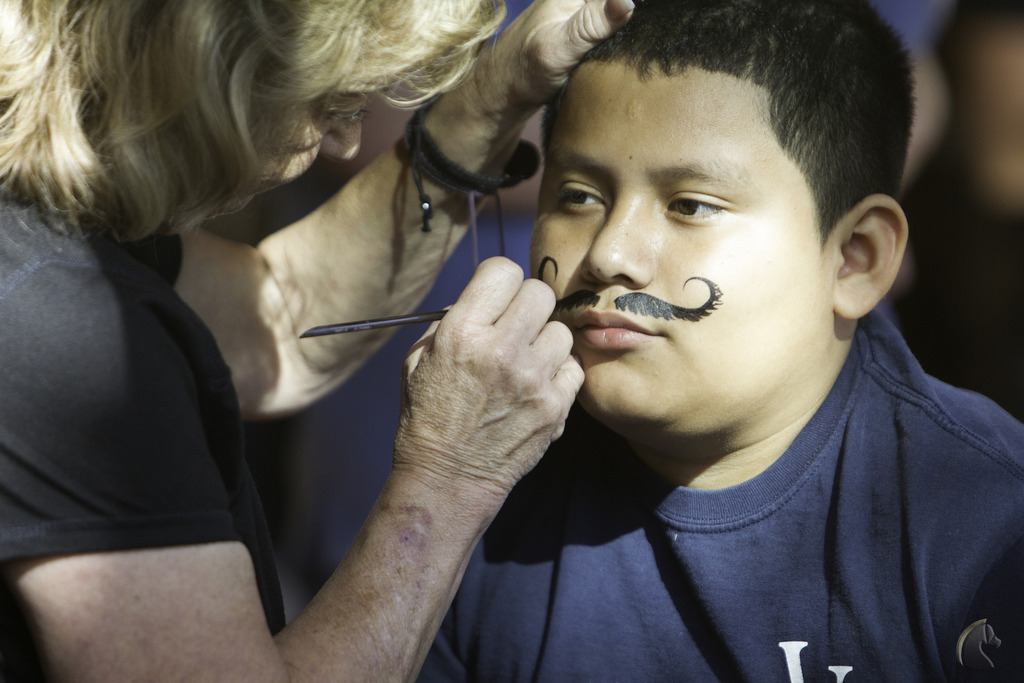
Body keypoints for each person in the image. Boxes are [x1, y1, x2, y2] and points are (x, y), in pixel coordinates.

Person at [0, 0, 636, 680]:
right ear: (213, 56)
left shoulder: (51, 226)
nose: (343, 144)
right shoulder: (60, 325)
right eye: (334, 100)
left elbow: (277, 317)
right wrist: (452, 472)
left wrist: (491, 100)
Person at [418, 0, 1024, 680]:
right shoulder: (477, 499)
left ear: (855, 258)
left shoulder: (985, 519)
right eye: (579, 196)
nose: (610, 253)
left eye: (691, 205)